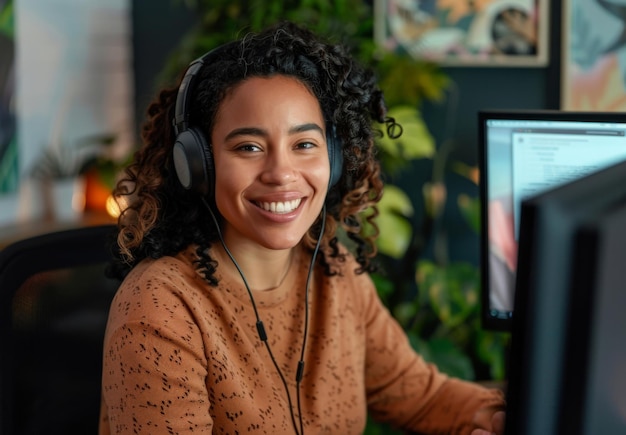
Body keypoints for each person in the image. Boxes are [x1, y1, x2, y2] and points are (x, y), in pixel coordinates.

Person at [99, 21, 506, 435]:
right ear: (198, 165)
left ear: (333, 156)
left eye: (304, 144)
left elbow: (423, 397)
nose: (281, 174)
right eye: (249, 147)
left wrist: (518, 413)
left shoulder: (334, 272)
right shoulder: (160, 310)